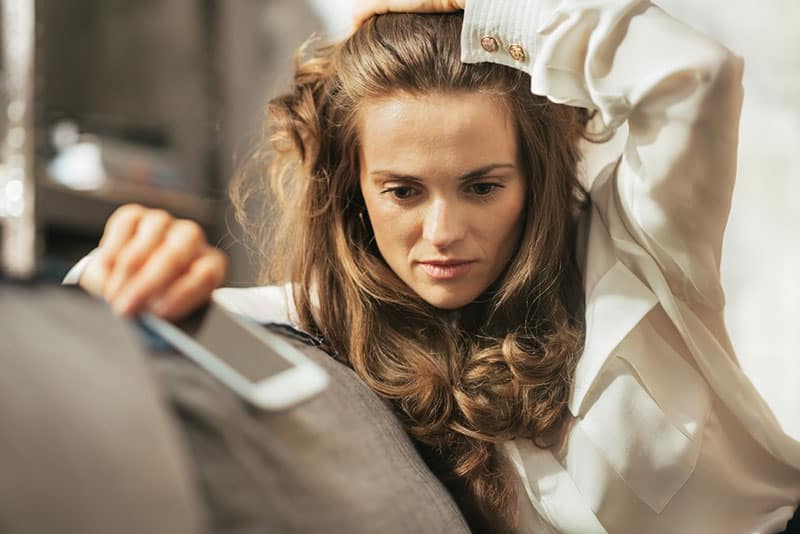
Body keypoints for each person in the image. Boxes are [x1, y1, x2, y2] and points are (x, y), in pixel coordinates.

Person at [66, 0, 800, 532]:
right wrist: (118, 272)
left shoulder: (637, 253)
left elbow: (696, 74)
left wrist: (497, 19)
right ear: (355, 194)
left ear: (533, 179)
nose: (443, 233)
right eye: (403, 192)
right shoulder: (328, 320)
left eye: (483, 186)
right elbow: (173, 322)